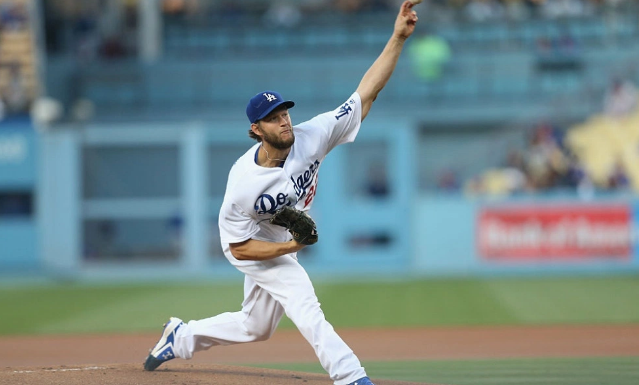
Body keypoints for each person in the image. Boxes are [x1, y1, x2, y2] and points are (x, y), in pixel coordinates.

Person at [142, 2, 419, 385]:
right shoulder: (243, 184)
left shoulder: (312, 135)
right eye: (273, 118)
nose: (284, 120)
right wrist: (290, 249)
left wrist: (398, 38)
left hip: (278, 231)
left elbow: (365, 94)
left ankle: (181, 337)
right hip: (249, 241)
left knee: (257, 326)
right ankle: (351, 376)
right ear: (256, 129)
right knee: (305, 304)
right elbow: (238, 249)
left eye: (285, 112)